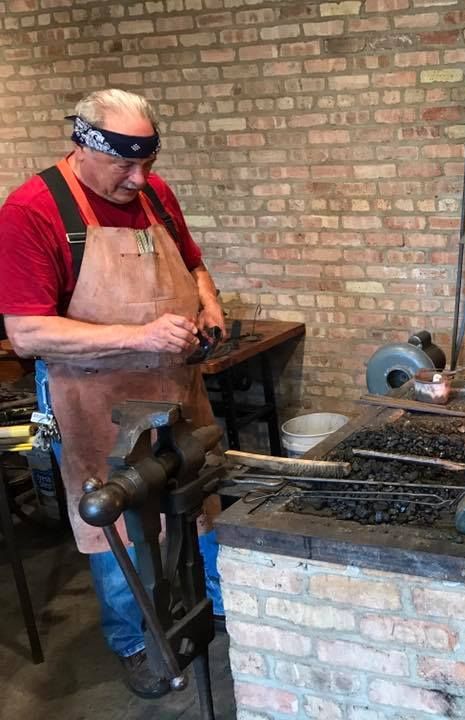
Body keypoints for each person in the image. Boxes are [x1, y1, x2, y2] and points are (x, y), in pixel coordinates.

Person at [0, 89, 225, 698]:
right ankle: (135, 640)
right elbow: (25, 331)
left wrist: (208, 307)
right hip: (95, 399)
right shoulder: (32, 210)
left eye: (147, 161)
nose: (139, 177)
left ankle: (216, 611)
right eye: (125, 163)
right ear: (83, 144)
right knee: (115, 523)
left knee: (197, 502)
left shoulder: (154, 193)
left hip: (175, 383)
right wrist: (141, 334)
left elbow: (195, 263)